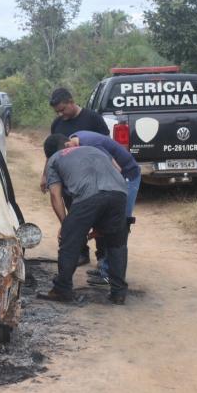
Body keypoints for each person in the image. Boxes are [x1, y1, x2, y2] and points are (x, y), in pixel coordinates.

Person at [39, 134, 129, 304]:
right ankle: (118, 293)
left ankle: (62, 290)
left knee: (69, 242)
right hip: (119, 193)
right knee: (116, 244)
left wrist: (65, 224)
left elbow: (55, 194)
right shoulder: (94, 149)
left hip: (89, 196)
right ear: (66, 143)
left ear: (49, 154)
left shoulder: (54, 159)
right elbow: (117, 170)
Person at [41, 88, 111, 264]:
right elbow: (52, 153)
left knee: (99, 217)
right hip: (69, 179)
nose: (60, 114)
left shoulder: (93, 119)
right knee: (75, 216)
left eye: (63, 109)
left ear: (71, 102)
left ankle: (102, 255)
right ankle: (81, 252)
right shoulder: (57, 123)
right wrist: (45, 175)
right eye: (57, 111)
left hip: (94, 177)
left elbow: (105, 146)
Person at [64, 131, 140, 286]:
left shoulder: (92, 145)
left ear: (68, 144)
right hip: (113, 180)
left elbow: (116, 169)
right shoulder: (75, 137)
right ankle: (105, 268)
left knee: (119, 225)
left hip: (127, 177)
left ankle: (109, 274)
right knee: (107, 220)